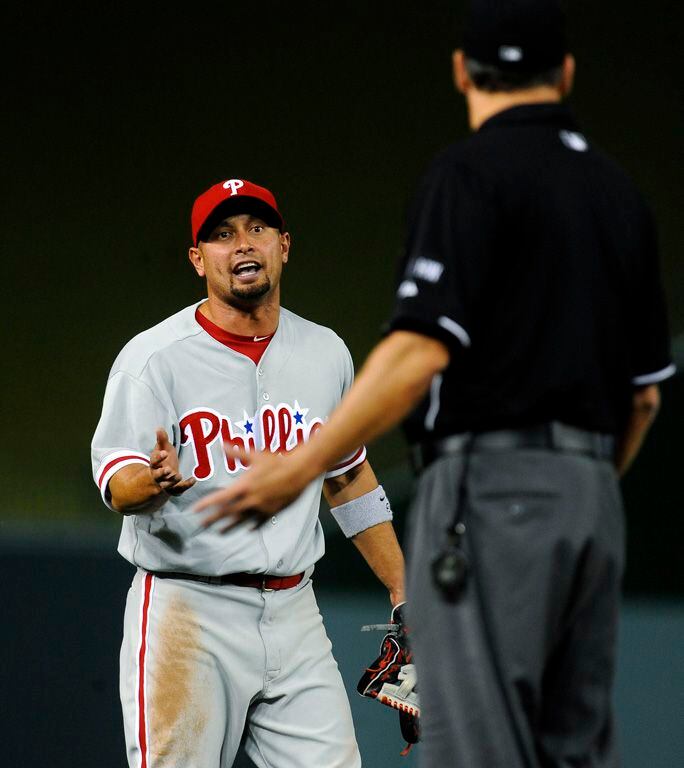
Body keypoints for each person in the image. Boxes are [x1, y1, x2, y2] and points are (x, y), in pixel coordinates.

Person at [195, 3, 675, 767]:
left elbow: (420, 350)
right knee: (572, 749)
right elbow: (645, 394)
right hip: (591, 501)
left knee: (476, 748)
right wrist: (573, 484)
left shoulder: (468, 176)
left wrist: (297, 466)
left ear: (461, 71)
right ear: (567, 73)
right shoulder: (619, 194)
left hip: (491, 490)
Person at [90, 177, 407, 768]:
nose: (242, 245)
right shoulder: (153, 359)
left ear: (284, 245)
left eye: (256, 229)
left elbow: (348, 477)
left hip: (296, 612)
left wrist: (401, 585)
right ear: (197, 259)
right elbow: (116, 483)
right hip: (189, 613)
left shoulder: (325, 353)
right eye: (221, 234)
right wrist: (149, 483)